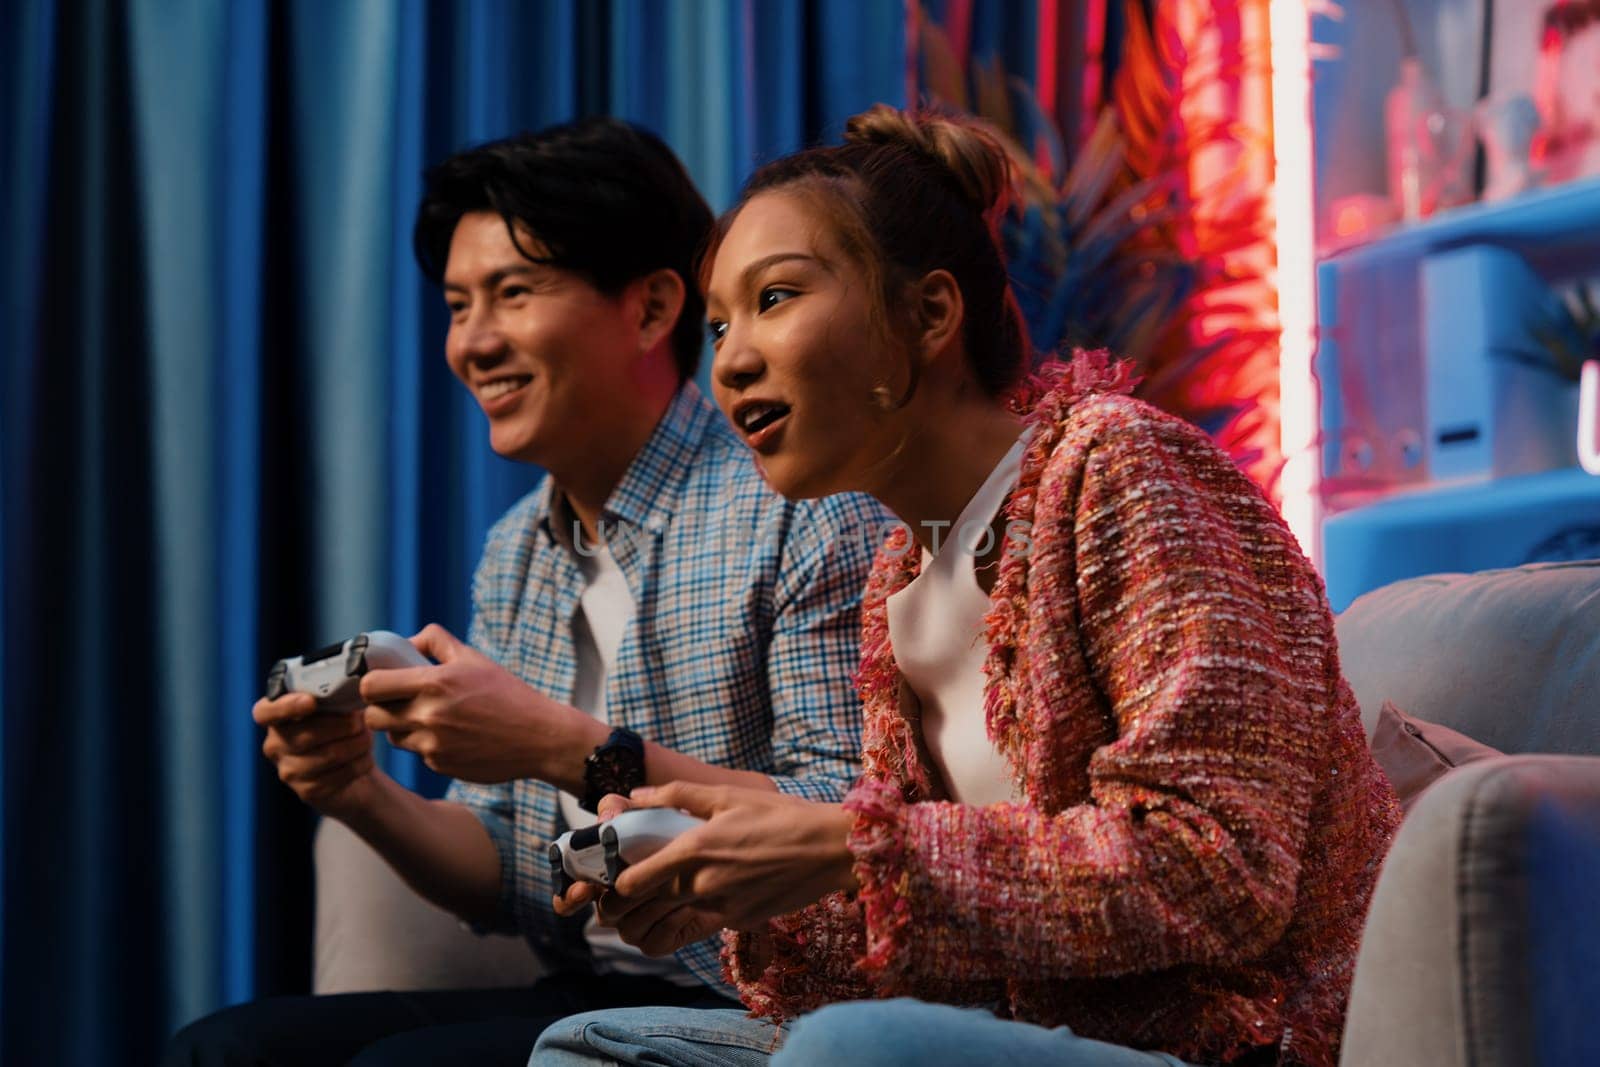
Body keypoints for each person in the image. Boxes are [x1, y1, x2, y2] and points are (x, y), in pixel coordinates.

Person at [532, 106, 1403, 1067]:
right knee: (587, 1049)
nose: (731, 359)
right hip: (1041, 1042)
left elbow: (1221, 870)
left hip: (1246, 1045)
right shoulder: (898, 581)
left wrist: (845, 845)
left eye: (776, 297)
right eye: (721, 323)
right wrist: (756, 894)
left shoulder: (1119, 469)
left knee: (857, 1050)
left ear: (932, 314)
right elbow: (952, 955)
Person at [162, 117, 885, 1067]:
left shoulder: (798, 506)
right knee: (223, 1049)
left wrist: (559, 745)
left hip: (752, 1002)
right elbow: (508, 871)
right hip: (582, 983)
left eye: (512, 292)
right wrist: (359, 792)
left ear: (652, 309)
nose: (474, 342)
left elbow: (851, 819)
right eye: (460, 305)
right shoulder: (516, 547)